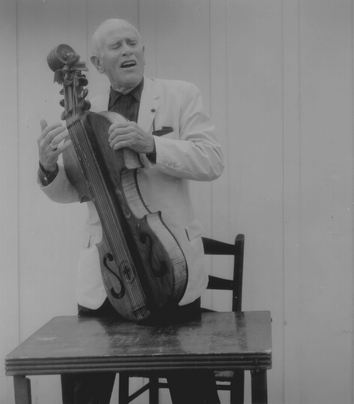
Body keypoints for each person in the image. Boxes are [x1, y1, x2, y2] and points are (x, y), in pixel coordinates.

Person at [37, 18, 224, 404]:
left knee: (193, 391)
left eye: (132, 43)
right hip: (106, 271)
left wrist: (152, 145)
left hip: (166, 264)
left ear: (143, 51)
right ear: (97, 63)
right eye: (116, 46)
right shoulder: (82, 117)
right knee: (85, 390)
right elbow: (74, 193)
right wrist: (48, 167)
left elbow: (212, 161)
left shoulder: (180, 94)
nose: (127, 51)